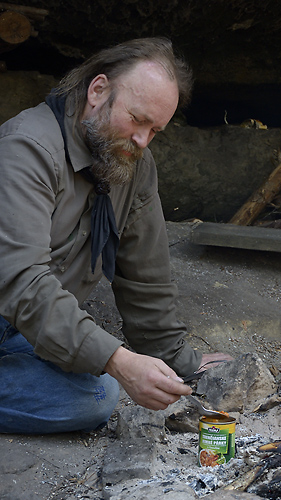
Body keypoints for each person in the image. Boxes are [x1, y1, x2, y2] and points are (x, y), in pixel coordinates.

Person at [0, 37, 231, 434]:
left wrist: (183, 365)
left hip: (22, 331)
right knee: (102, 393)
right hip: (13, 309)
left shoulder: (131, 161)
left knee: (95, 389)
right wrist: (118, 360)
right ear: (98, 90)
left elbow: (146, 278)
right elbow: (22, 283)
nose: (143, 140)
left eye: (155, 130)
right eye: (138, 120)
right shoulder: (27, 148)